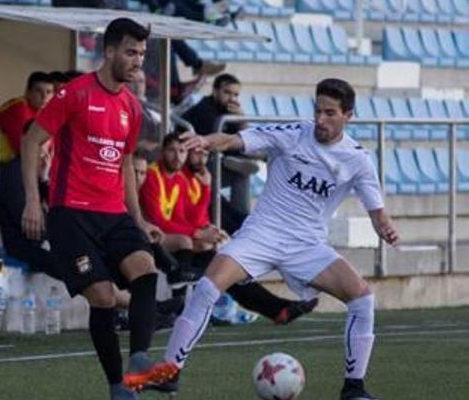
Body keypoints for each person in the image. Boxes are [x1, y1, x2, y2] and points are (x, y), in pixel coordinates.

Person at [137, 79, 400, 400]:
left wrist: (385, 227)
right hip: (261, 235)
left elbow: (378, 212)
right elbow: (234, 140)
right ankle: (170, 372)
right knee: (207, 286)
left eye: (330, 113)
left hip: (307, 245)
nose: (320, 119)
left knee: (362, 298)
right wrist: (205, 140)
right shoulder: (292, 135)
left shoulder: (358, 159)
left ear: (348, 115)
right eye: (317, 110)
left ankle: (354, 388)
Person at [21, 18, 175, 400]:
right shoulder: (74, 94)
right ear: (108, 51)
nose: (137, 60)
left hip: (113, 212)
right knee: (103, 298)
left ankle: (139, 359)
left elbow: (124, 164)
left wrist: (138, 218)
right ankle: (116, 385)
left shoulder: (132, 108)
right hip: (70, 212)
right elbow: (31, 141)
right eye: (130, 52)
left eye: (141, 53)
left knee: (146, 271)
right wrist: (31, 202)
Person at [140, 132, 317, 337]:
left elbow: (189, 218)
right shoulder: (155, 175)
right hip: (157, 239)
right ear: (163, 152)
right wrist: (198, 232)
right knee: (209, 256)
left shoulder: (183, 179)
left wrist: (207, 227)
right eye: (173, 150)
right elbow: (161, 221)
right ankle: (183, 306)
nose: (179, 156)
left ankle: (277, 308)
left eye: (183, 151)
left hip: (180, 240)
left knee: (223, 262)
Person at [0, 73, 56, 271]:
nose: (45, 98)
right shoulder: (19, 108)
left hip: (9, 167)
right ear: (28, 92)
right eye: (39, 91)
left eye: (49, 92)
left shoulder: (42, 116)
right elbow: (24, 150)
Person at [181, 73, 256, 216]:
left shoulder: (228, 112)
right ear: (215, 91)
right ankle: (240, 220)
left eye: (236, 95)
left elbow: (247, 139)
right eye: (227, 93)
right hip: (195, 165)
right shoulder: (204, 110)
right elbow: (214, 144)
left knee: (242, 171)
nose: (232, 99)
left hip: (217, 161)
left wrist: (241, 118)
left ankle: (242, 218)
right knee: (241, 170)